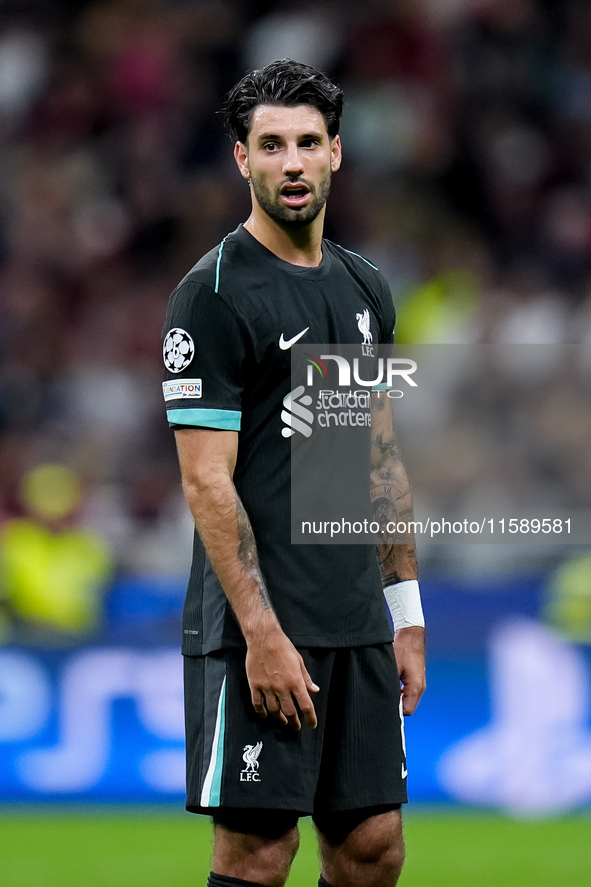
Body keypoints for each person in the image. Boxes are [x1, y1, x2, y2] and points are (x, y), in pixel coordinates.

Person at [162, 59, 426, 887]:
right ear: (242, 160)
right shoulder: (213, 295)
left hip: (356, 621)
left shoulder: (362, 287)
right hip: (264, 623)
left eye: (307, 142)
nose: (292, 162)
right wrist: (261, 634)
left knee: (372, 844)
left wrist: (404, 613)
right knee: (259, 847)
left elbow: (373, 460)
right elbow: (207, 481)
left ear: (336, 153)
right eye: (270, 145)